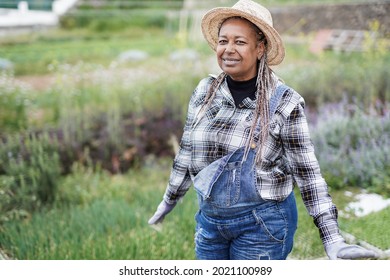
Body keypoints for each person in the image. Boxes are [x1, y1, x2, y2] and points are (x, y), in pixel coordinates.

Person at [148, 0, 378, 260]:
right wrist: (169, 200)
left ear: (260, 48)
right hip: (209, 224)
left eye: (240, 42)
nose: (228, 49)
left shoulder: (283, 102)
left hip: (262, 225)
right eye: (223, 41)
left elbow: (308, 173)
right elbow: (187, 151)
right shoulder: (205, 91)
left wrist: (332, 238)